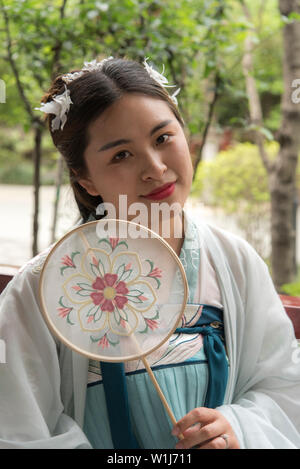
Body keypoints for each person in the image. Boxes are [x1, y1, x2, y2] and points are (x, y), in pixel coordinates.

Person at [0, 57, 299, 450]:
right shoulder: (38, 291)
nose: (155, 169)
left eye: (162, 139)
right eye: (121, 155)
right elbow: (17, 428)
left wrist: (236, 428)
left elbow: (283, 387)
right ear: (85, 178)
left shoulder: (235, 263)